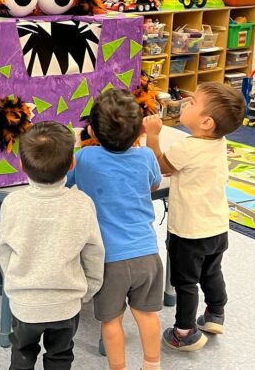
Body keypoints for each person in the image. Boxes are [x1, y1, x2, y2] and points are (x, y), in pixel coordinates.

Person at [143, 82, 246, 352]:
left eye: (193, 102)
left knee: (185, 282)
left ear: (206, 122)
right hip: (217, 226)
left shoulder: (187, 149)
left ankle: (184, 332)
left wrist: (153, 135)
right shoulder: (220, 143)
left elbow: (160, 168)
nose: (186, 101)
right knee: (212, 271)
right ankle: (215, 314)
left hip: (189, 232)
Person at [67, 89, 163, 370]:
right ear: (139, 130)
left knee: (111, 321)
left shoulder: (86, 159)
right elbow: (154, 184)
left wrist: (77, 142)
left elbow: (66, 178)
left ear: (92, 130)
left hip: (108, 260)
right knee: (147, 315)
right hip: (147, 254)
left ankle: (118, 367)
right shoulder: (145, 157)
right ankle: (152, 364)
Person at [0, 121, 105, 370]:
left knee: (22, 353)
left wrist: (14, 284)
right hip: (66, 305)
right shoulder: (82, 203)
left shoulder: (12, 203)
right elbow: (94, 253)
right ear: (72, 164)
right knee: (60, 356)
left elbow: (3, 251)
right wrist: (88, 290)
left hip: (24, 304)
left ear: (21, 165)